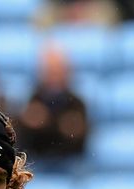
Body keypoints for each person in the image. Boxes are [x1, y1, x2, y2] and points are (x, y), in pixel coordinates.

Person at [14, 44, 89, 173]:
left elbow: (82, 144)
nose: (54, 76)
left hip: (68, 164)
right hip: (37, 163)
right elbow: (22, 141)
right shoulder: (32, 100)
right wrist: (29, 125)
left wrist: (72, 131)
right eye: (50, 71)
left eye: (58, 71)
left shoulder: (77, 103)